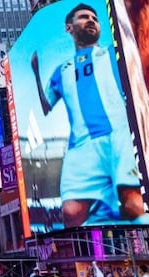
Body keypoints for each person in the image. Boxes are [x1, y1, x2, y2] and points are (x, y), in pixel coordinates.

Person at [31, 2, 146, 227]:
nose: (91, 20)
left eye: (94, 18)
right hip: (81, 146)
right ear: (69, 28)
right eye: (84, 17)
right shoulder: (61, 71)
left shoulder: (114, 52)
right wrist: (36, 73)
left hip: (119, 134)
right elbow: (46, 107)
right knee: (71, 213)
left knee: (134, 204)